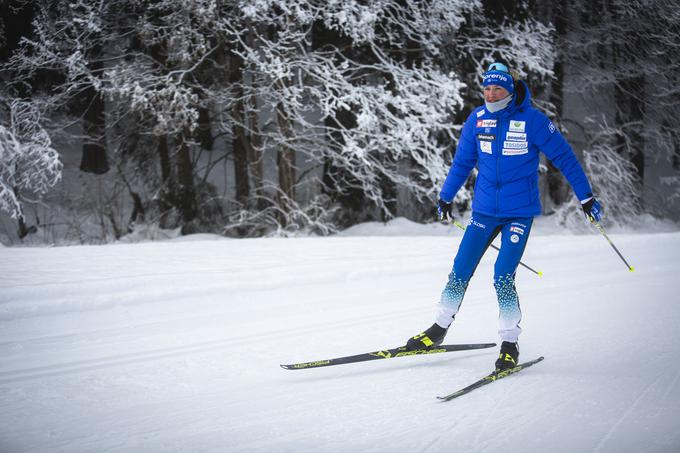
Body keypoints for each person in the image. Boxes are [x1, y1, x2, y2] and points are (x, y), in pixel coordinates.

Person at [404, 62, 603, 372]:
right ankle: (438, 330)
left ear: (510, 91)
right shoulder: (477, 119)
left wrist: (586, 197)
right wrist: (445, 196)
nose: (491, 92)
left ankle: (509, 344)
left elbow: (565, 158)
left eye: (497, 87)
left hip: (518, 213)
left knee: (502, 276)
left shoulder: (533, 120)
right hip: (484, 209)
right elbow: (461, 163)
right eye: (487, 87)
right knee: (460, 269)